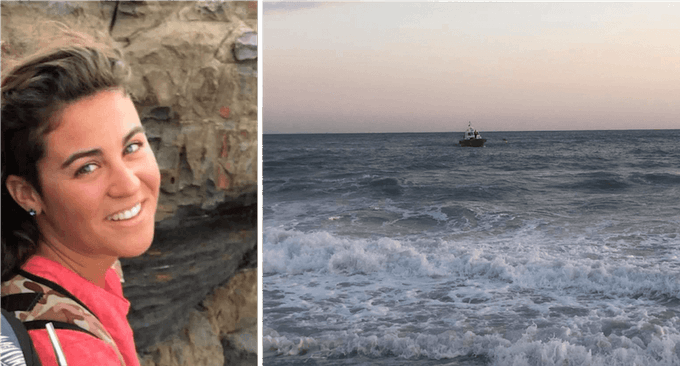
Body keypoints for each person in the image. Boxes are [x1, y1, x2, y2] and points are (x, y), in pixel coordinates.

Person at [1, 24, 160, 366]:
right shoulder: (64, 349)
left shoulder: (95, 265)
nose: (128, 183)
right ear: (27, 193)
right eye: (87, 167)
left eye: (132, 146)